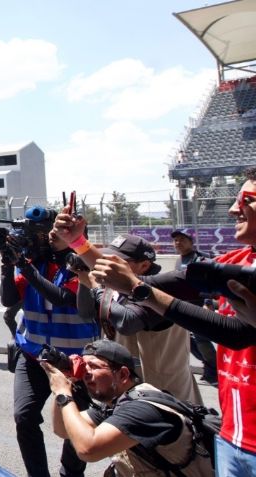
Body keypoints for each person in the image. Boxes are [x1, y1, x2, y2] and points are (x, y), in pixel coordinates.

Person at [53, 168, 256, 474]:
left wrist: (134, 288)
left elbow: (236, 334)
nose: (232, 208)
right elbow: (151, 285)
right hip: (232, 436)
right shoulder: (233, 262)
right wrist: (80, 244)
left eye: (246, 199)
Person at [0, 211, 97, 477]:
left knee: (74, 425)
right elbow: (9, 300)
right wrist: (8, 266)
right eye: (47, 233)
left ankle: (71, 473)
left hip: (74, 361)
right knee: (24, 417)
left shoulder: (82, 265)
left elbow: (64, 297)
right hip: (33, 355)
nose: (49, 237)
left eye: (54, 232)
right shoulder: (33, 263)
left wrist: (26, 267)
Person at [42, 340, 214, 476]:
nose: (86, 374)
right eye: (84, 366)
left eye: (93, 366)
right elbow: (63, 430)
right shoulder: (113, 406)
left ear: (123, 375)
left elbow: (88, 450)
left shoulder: (142, 410)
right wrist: (64, 383)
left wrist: (64, 393)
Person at [75, 235, 201, 405]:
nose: (109, 264)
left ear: (144, 265)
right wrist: (84, 281)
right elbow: (86, 314)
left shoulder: (159, 292)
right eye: (107, 258)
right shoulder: (117, 287)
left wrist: (96, 288)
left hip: (164, 393)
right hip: (128, 391)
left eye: (118, 261)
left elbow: (128, 323)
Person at [171, 229, 218, 386]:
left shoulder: (201, 258)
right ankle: (209, 365)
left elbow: (209, 282)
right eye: (176, 240)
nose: (178, 243)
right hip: (184, 305)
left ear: (191, 242)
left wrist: (208, 302)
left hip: (198, 303)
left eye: (182, 239)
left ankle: (214, 369)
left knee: (202, 339)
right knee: (188, 341)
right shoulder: (180, 260)